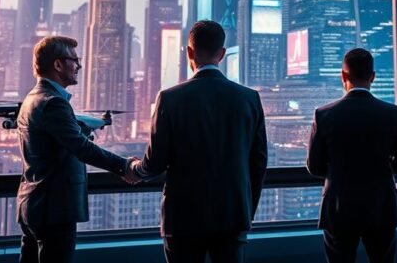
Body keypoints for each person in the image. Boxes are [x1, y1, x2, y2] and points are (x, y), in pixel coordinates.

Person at [129, 20, 268, 263]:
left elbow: (155, 163)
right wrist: (245, 211)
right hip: (233, 216)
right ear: (222, 54)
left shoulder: (170, 98)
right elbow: (259, 163)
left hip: (183, 218)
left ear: (189, 52)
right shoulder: (249, 98)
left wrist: (133, 168)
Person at [16, 35, 139, 263]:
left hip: (33, 205)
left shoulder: (33, 98)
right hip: (54, 209)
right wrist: (124, 166)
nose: (79, 66)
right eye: (74, 60)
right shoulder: (53, 102)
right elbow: (81, 148)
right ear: (58, 64)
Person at [306, 48, 397, 263]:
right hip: (381, 205)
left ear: (343, 76)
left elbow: (314, 166)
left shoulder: (324, 114)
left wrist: (338, 170)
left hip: (339, 206)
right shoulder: (392, 114)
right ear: (372, 77)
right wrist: (382, 167)